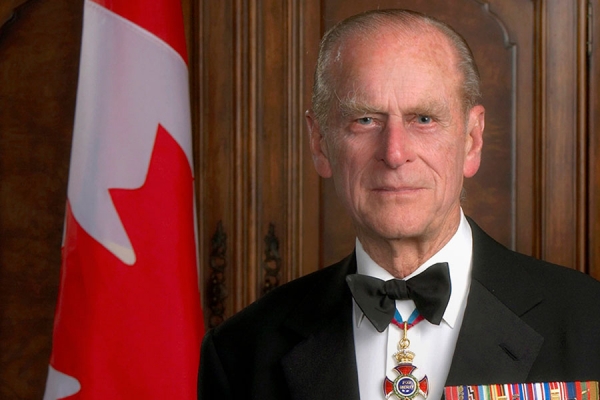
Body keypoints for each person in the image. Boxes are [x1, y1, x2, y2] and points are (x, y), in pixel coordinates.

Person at [198, 9, 600, 400]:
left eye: (423, 119)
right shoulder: (241, 351)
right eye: (365, 120)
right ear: (320, 143)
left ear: (472, 140)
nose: (394, 153)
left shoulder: (588, 322)